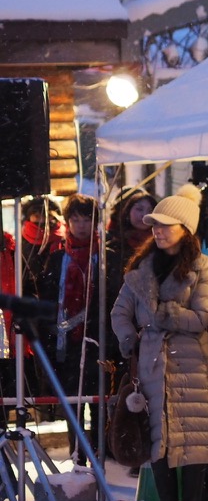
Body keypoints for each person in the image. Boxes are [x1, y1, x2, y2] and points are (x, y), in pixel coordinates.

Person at [109, 183, 208, 501]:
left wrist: (161, 314)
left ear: (184, 228)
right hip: (151, 367)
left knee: (192, 447)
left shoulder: (202, 266)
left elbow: (200, 318)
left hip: (190, 367)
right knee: (157, 445)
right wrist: (130, 340)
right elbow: (120, 312)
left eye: (165, 224)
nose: (156, 229)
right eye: (154, 224)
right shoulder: (141, 268)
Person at [35, 194, 104, 465]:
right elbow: (48, 302)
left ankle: (99, 455)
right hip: (65, 344)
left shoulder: (105, 257)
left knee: (99, 405)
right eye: (75, 219)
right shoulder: (56, 259)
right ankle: (78, 455)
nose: (81, 225)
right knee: (71, 406)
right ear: (67, 222)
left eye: (86, 219)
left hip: (98, 342)